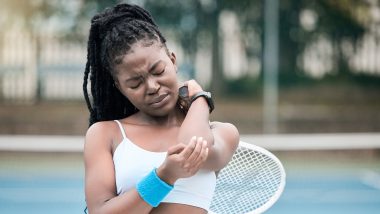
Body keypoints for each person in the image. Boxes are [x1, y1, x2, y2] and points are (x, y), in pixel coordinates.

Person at [83, 3, 239, 214]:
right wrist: (164, 176)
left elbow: (188, 147)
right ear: (119, 87)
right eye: (135, 83)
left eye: (158, 71)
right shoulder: (105, 134)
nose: (152, 87)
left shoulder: (222, 134)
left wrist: (200, 99)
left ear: (173, 60)